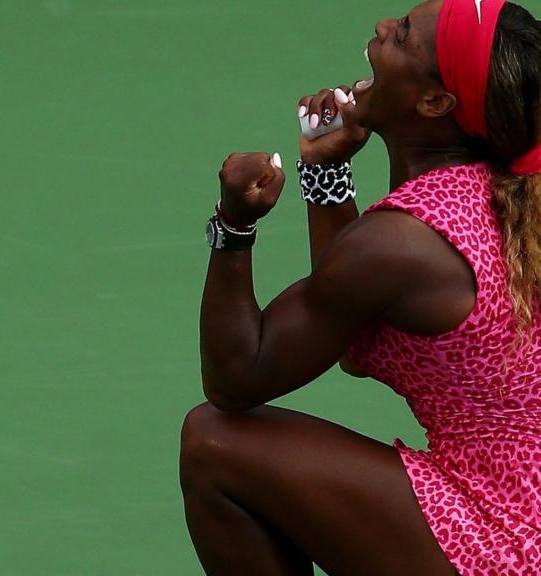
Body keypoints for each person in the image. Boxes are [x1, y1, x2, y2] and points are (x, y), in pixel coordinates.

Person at [180, 0, 541, 574]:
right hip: (527, 522)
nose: (381, 27)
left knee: (212, 444)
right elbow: (349, 332)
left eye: (401, 37)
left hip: (504, 544)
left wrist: (234, 225)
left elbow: (235, 374)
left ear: (435, 102)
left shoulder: (401, 243)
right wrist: (326, 171)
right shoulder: (503, 195)